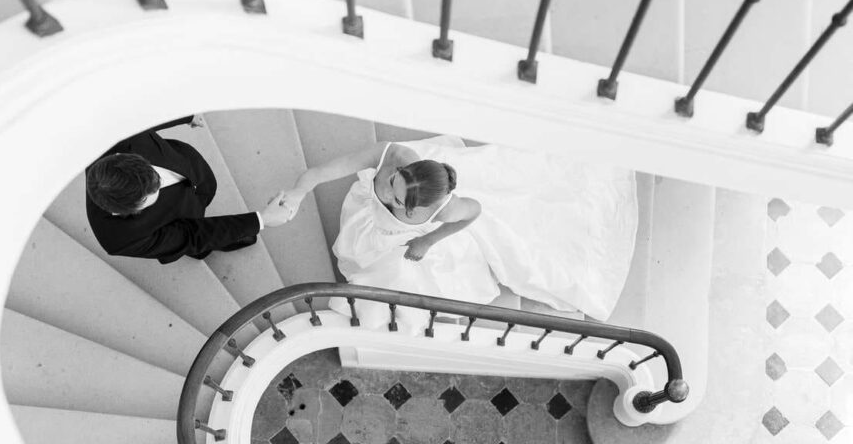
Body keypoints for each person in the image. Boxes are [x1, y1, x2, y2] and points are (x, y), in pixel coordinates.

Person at [280, 135, 638, 327]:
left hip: (400, 243)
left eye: (401, 202)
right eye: (394, 182)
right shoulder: (391, 155)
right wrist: (296, 193)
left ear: (420, 209)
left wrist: (428, 238)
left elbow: (475, 213)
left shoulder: (447, 207)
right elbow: (320, 173)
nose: (389, 193)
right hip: (370, 225)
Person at [86, 117, 292, 263]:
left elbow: (147, 114)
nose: (161, 182)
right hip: (180, 219)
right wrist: (260, 220)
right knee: (198, 244)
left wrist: (186, 115)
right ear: (126, 212)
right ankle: (216, 245)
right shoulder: (120, 239)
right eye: (152, 193)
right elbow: (191, 236)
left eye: (154, 176)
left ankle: (225, 229)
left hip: (190, 168)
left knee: (207, 189)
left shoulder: (112, 131)